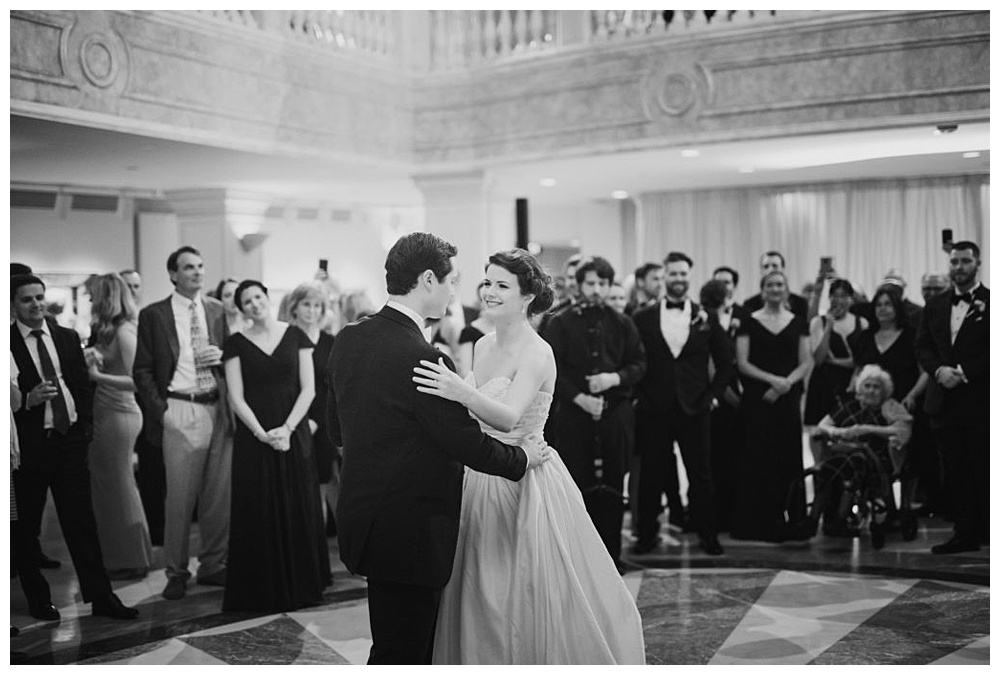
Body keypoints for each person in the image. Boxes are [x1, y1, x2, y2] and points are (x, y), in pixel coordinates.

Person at [412, 248, 645, 664]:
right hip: (477, 477)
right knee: (476, 587)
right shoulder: (482, 345)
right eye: (488, 282)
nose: (490, 291)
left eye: (503, 285)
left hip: (524, 478)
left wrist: (457, 388)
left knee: (520, 589)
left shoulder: (539, 352)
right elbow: (471, 413)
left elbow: (507, 416)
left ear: (527, 297)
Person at [327, 232, 550, 665]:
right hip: (412, 528)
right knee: (404, 652)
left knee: (390, 640)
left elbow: (337, 429)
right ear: (428, 280)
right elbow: (469, 445)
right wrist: (523, 459)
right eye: (452, 281)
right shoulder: (424, 358)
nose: (457, 292)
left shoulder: (349, 339)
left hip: (364, 518)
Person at [10, 274, 139, 621]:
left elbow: (82, 387)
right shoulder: (7, 343)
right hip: (31, 447)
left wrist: (82, 430)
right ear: (13, 305)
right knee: (26, 530)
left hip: (69, 444)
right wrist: (28, 402)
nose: (36, 304)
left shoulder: (66, 337)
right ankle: (39, 600)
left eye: (39, 297)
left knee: (82, 524)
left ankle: (102, 597)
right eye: (27, 300)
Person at [221, 280, 328, 611]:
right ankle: (261, 588)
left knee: (299, 504)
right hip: (254, 438)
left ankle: (302, 584)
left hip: (292, 433)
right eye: (246, 301)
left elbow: (308, 389)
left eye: (258, 297)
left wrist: (287, 428)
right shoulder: (235, 343)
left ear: (268, 298)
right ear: (241, 309)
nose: (254, 303)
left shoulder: (295, 335)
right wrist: (261, 433)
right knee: (258, 507)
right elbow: (235, 396)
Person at [133, 246, 232, 600]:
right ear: (173, 274)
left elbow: (231, 358)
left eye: (201, 266)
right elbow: (142, 370)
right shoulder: (154, 315)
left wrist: (221, 357)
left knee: (218, 498)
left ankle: (213, 565)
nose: (197, 272)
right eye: (189, 267)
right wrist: (162, 411)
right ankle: (176, 571)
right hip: (180, 407)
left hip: (218, 408)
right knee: (179, 499)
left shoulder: (218, 310)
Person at [543, 256, 646, 568]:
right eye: (592, 283)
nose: (598, 290)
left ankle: (612, 559)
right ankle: (579, 562)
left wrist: (614, 378)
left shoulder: (623, 323)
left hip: (615, 416)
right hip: (574, 417)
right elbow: (550, 370)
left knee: (614, 486)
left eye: (603, 283)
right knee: (576, 485)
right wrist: (578, 397)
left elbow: (639, 364)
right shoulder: (559, 322)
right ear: (580, 284)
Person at [632, 253, 732, 557]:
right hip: (654, 408)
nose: (678, 279)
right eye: (672, 274)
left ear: (690, 277)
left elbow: (726, 363)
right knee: (652, 474)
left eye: (682, 274)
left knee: (700, 474)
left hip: (696, 407)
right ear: (664, 277)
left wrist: (713, 395)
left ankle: (707, 534)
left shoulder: (707, 317)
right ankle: (647, 535)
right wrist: (640, 395)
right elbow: (635, 360)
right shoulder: (643, 317)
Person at [915, 241, 989, 554]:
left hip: (979, 398)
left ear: (978, 263)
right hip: (943, 399)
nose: (958, 267)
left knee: (984, 468)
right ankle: (964, 533)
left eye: (965, 261)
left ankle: (988, 530)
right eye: (954, 261)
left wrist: (964, 371)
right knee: (955, 471)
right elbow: (923, 346)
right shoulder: (935, 305)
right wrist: (940, 371)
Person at [731, 270, 812, 542]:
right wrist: (772, 381)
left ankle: (793, 519)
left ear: (787, 289)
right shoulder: (748, 322)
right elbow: (742, 362)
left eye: (780, 284)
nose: (775, 289)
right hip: (758, 399)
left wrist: (786, 383)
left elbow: (806, 362)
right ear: (762, 290)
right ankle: (758, 522)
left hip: (787, 398)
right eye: (770, 285)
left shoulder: (799, 322)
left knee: (788, 456)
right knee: (758, 458)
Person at [847, 287, 928, 538]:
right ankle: (886, 507)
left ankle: (904, 507)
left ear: (897, 309)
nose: (883, 309)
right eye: (879, 304)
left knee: (906, 456)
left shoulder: (912, 335)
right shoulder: (866, 336)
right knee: (873, 455)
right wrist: (855, 394)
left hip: (904, 404)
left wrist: (912, 395)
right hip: (872, 404)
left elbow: (925, 371)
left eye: (888, 304)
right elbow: (858, 371)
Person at [86, 273, 153, 579]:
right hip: (106, 411)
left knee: (120, 484)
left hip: (119, 413)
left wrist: (98, 377)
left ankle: (132, 557)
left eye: (93, 296)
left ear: (105, 298)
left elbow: (136, 381)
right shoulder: (109, 330)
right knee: (109, 485)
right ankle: (117, 555)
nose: (89, 300)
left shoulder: (126, 331)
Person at [809, 365, 913, 539]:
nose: (871, 390)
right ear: (860, 388)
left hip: (877, 460)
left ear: (884, 391)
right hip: (845, 457)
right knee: (836, 465)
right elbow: (822, 425)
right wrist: (837, 432)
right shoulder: (849, 406)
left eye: (876, 386)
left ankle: (838, 520)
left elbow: (903, 431)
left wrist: (865, 429)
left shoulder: (890, 407)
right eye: (867, 385)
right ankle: (812, 521)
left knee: (855, 459)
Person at [283, 281, 337, 573]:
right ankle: (302, 552)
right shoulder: (286, 338)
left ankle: (323, 555)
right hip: (293, 420)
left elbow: (331, 388)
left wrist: (317, 421)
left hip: (323, 422)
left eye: (317, 306)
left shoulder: (330, 341)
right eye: (307, 304)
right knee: (298, 486)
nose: (312, 311)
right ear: (294, 307)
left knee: (324, 484)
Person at [803, 279, 867, 461]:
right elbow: (819, 359)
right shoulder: (819, 322)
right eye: (834, 295)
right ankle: (819, 470)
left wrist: (838, 362)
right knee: (818, 432)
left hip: (852, 383)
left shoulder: (861, 323)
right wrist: (829, 327)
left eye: (844, 296)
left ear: (851, 299)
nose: (838, 300)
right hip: (824, 383)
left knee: (850, 431)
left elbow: (861, 360)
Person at [707, 268, 749, 532]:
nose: (724, 287)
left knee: (738, 456)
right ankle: (715, 514)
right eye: (719, 282)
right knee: (714, 458)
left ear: (734, 286)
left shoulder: (744, 316)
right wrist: (720, 391)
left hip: (741, 390)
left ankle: (737, 512)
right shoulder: (705, 316)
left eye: (728, 282)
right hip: (713, 392)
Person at [742, 251, 810, 317]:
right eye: (766, 266)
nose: (770, 270)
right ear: (761, 271)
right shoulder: (750, 305)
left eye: (775, 266)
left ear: (783, 269)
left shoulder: (800, 303)